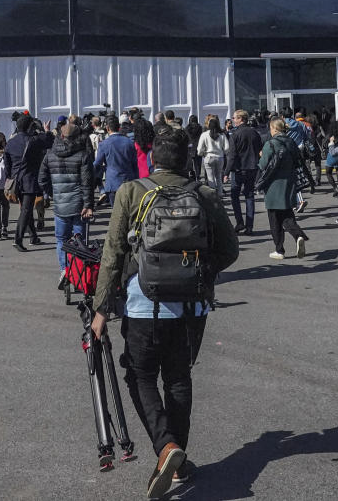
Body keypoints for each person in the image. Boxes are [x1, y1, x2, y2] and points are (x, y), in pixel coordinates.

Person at [89, 129, 240, 498]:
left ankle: (165, 446)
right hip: (192, 305)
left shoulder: (132, 191)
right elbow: (231, 249)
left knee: (139, 375)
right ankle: (177, 463)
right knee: (178, 378)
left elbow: (112, 254)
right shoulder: (203, 194)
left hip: (144, 304)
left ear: (152, 157)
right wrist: (202, 273)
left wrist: (101, 309)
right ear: (188, 157)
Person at [38, 123, 95, 287]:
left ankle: (64, 269)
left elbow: (42, 179)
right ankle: (78, 271)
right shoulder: (83, 155)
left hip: (60, 206)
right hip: (79, 205)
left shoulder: (49, 155)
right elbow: (87, 183)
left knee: (61, 240)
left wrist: (53, 192)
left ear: (60, 136)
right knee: (80, 241)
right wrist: (89, 204)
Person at [259, 118, 309, 259]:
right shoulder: (291, 142)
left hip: (274, 185)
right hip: (289, 182)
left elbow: (263, 165)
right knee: (287, 215)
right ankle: (298, 236)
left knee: (274, 219)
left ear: (274, 129)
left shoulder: (271, 144)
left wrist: (261, 156)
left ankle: (279, 249)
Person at [4, 114, 52, 252]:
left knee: (26, 209)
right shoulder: (33, 140)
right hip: (29, 180)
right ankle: (17, 239)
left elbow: (7, 165)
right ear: (30, 126)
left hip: (15, 181)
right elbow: (49, 141)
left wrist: (9, 178)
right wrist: (46, 130)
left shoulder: (10, 142)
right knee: (26, 210)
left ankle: (33, 236)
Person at [226, 109, 262, 235]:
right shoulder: (254, 133)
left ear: (241, 119)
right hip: (252, 168)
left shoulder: (235, 134)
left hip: (238, 169)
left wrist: (226, 173)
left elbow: (232, 155)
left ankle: (239, 221)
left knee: (235, 196)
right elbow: (260, 150)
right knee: (249, 196)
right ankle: (249, 226)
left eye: (234, 118)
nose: (233, 120)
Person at [94, 116, 138, 205]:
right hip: (129, 181)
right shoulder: (129, 142)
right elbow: (134, 163)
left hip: (113, 182)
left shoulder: (104, 144)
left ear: (107, 128)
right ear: (119, 127)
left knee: (116, 213)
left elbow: (97, 163)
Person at [195, 116, 229, 192]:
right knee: (219, 178)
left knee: (210, 179)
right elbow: (227, 148)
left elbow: (199, 149)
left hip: (208, 157)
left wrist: (202, 154)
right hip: (219, 157)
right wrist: (223, 152)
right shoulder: (222, 135)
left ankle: (213, 196)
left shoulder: (204, 134)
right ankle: (220, 194)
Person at [184, 114, 203, 179]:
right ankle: (198, 174)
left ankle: (191, 173)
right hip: (198, 146)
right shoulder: (200, 127)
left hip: (189, 146)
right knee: (198, 163)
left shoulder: (187, 128)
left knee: (189, 162)